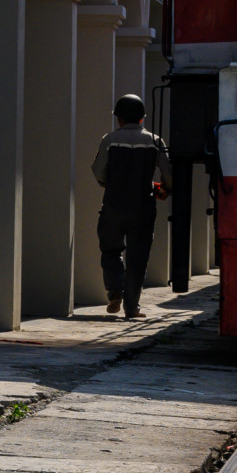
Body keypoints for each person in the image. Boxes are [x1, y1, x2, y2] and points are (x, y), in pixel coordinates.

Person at [92, 95, 170, 320]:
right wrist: (165, 189)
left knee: (111, 250)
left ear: (120, 118)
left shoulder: (110, 139)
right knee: (138, 257)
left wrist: (109, 184)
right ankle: (132, 307)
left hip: (113, 205)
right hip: (143, 208)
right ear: (142, 118)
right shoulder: (155, 141)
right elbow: (168, 173)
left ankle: (115, 290)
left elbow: (98, 170)